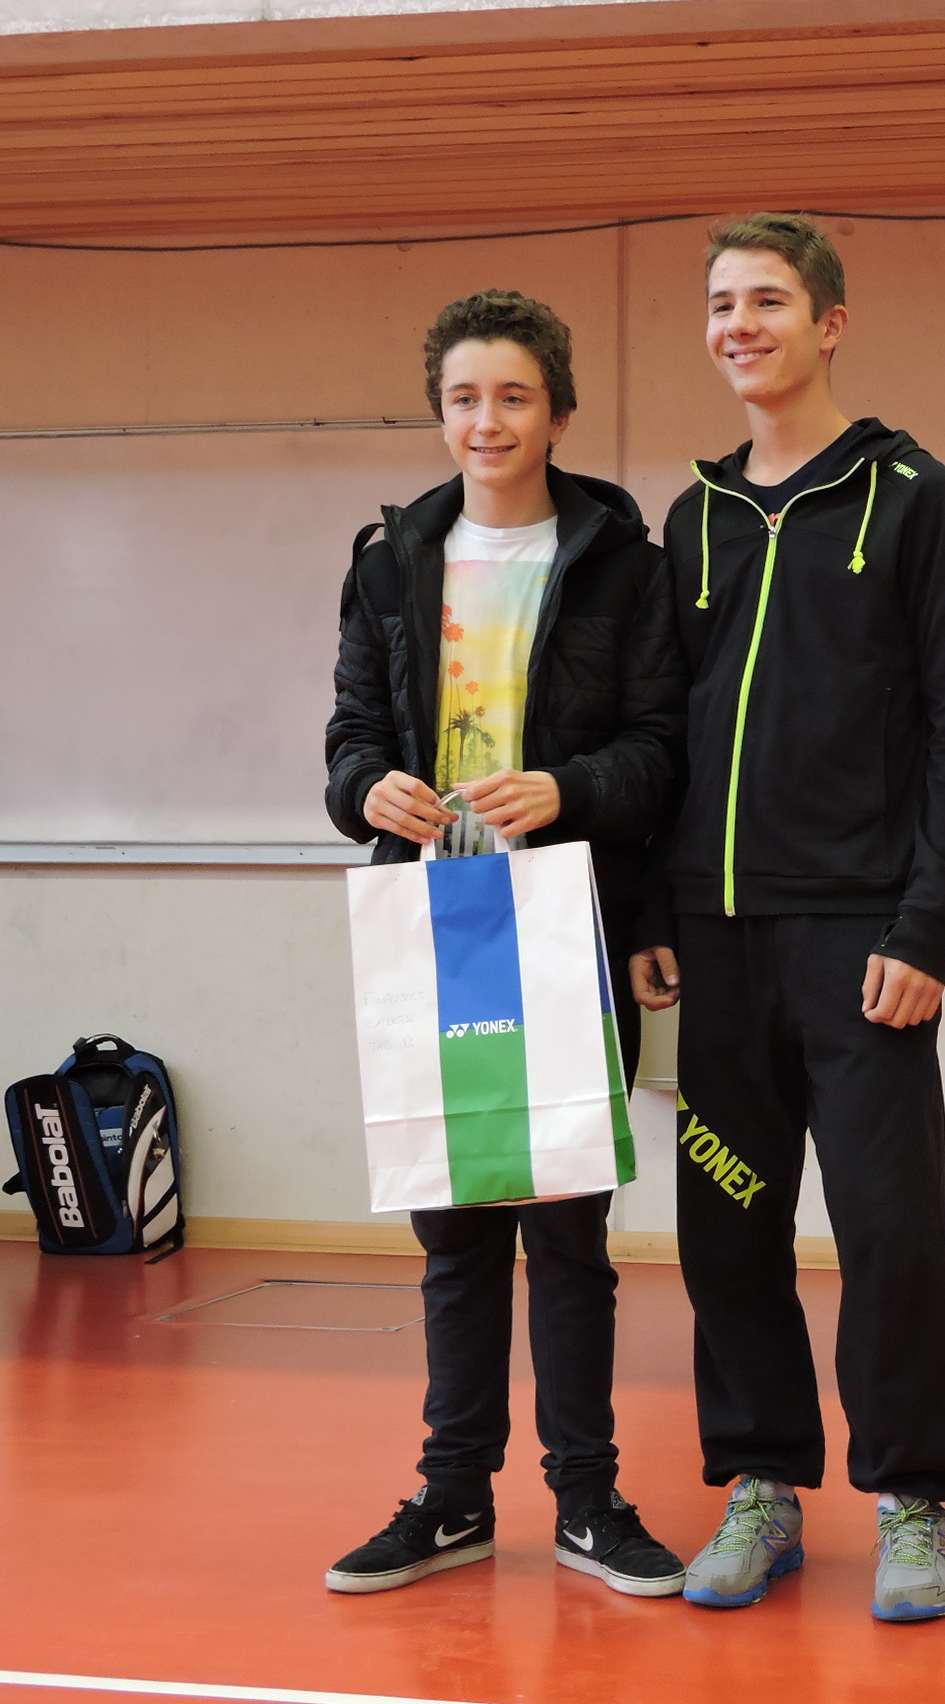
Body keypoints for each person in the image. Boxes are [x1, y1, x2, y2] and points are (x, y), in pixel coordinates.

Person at [628, 213, 945, 1624]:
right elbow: (665, 729)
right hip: (714, 940)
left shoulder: (917, 500)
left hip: (860, 941)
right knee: (726, 1225)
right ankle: (762, 1483)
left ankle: (913, 1500)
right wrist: (656, 902)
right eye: (722, 303)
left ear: (829, 323)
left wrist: (927, 927)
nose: (740, 325)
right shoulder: (695, 517)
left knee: (891, 1229)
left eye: (769, 301)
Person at [321, 289, 687, 1597]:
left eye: (514, 397)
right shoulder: (389, 561)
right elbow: (351, 735)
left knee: (570, 1229)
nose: (488, 420)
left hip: (566, 920)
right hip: (438, 922)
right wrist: (366, 788)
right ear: (440, 413)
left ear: (559, 414)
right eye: (465, 398)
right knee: (458, 1229)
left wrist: (567, 789)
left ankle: (587, 1500)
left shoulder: (623, 561)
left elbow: (662, 753)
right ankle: (453, 1497)